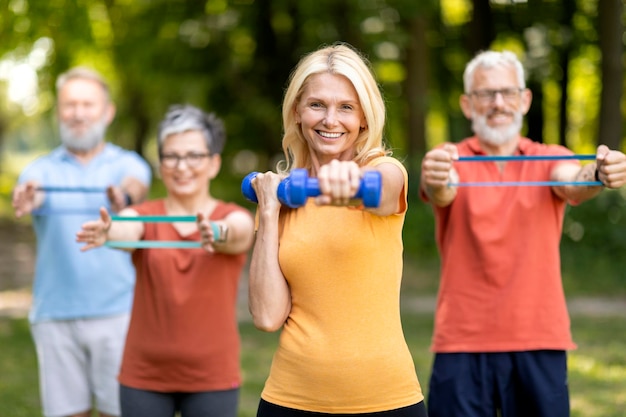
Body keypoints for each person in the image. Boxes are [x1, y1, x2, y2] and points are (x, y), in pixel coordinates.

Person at [420, 49, 626, 417]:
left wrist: (598, 173)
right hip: (462, 340)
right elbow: (442, 188)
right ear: (468, 105)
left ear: (525, 100)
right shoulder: (450, 157)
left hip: (539, 337)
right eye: (485, 94)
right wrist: (437, 176)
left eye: (508, 92)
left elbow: (574, 181)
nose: (498, 103)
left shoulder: (548, 156)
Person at [248, 43, 427, 417]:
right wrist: (267, 214)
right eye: (317, 105)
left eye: (346, 107)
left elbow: (384, 189)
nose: (331, 120)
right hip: (290, 400)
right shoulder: (282, 198)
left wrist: (352, 184)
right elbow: (267, 317)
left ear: (364, 117)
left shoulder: (386, 172)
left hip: (387, 401)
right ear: (297, 111)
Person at [76, 104, 255, 417]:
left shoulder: (232, 216)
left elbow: (239, 233)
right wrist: (110, 230)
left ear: (213, 164)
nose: (181, 166)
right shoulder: (147, 215)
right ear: (160, 164)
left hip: (212, 377)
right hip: (143, 377)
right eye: (171, 156)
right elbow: (128, 226)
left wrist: (214, 231)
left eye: (194, 156)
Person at [11, 67, 152, 417]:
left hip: (119, 313)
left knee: (118, 411)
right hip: (55, 315)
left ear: (107, 112)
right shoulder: (40, 169)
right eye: (69, 104)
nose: (77, 113)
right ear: (59, 111)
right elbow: (32, 192)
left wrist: (123, 197)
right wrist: (28, 199)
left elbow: (135, 184)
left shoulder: (127, 163)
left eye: (87, 104)